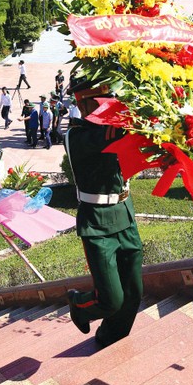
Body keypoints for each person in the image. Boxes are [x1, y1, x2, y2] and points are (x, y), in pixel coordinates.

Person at [64, 81, 143, 348]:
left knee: (134, 293)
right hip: (97, 223)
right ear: (83, 104)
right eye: (101, 103)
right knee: (110, 300)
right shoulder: (78, 136)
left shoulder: (111, 127)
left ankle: (111, 337)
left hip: (125, 214)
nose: (109, 107)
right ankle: (79, 304)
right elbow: (113, 135)